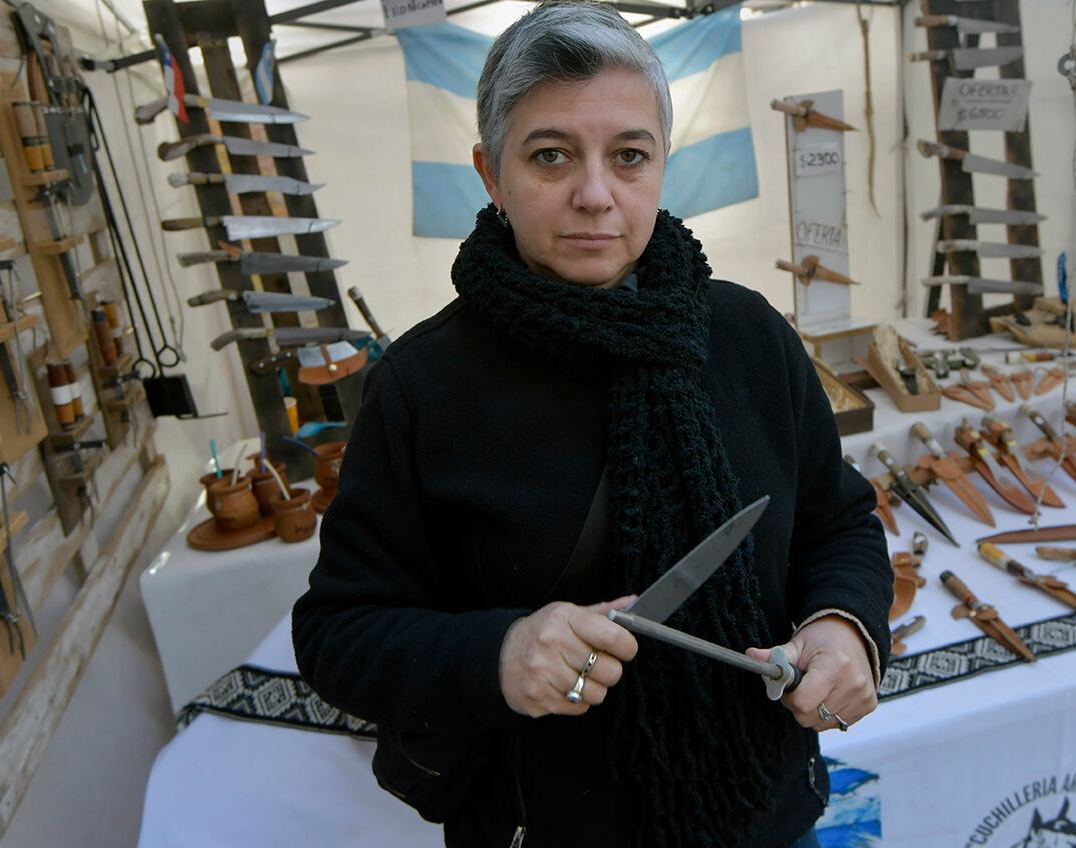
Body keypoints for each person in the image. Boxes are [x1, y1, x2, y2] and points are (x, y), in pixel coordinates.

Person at [292, 3, 893, 846]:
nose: (595, 195)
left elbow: (839, 523)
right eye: (550, 156)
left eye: (629, 156)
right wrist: (498, 656)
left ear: (661, 165)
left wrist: (843, 625)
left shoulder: (748, 336)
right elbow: (338, 634)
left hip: (764, 811)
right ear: (490, 175)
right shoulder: (423, 387)